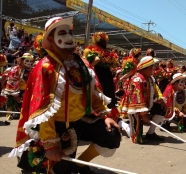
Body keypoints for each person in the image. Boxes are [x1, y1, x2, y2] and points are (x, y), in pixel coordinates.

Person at [9, 17, 121, 174]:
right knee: (60, 169)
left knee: (113, 134)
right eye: (62, 33)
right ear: (50, 39)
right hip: (57, 128)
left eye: (70, 32)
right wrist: (50, 144)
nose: (69, 37)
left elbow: (93, 94)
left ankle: (80, 165)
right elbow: (42, 110)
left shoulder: (81, 63)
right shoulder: (46, 68)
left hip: (81, 121)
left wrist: (105, 115)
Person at [121, 56, 167, 144]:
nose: (154, 68)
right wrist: (144, 114)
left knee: (161, 109)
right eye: (152, 66)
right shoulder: (137, 79)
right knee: (136, 137)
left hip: (145, 106)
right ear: (146, 68)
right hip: (134, 108)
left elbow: (156, 90)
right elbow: (138, 98)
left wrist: (161, 101)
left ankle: (151, 133)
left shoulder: (150, 78)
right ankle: (121, 123)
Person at [1, 53, 34, 125]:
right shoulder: (15, 70)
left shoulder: (32, 70)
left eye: (31, 61)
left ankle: (26, 119)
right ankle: (8, 118)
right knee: (11, 102)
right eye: (27, 61)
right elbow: (12, 82)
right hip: (15, 89)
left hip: (28, 90)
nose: (29, 63)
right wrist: (16, 95)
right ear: (21, 61)